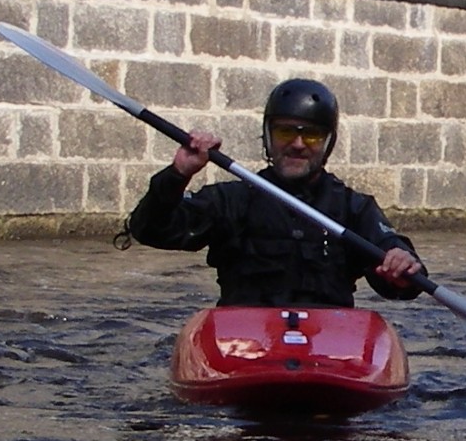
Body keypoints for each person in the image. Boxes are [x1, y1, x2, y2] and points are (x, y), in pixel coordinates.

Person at [124, 78, 426, 306]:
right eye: (285, 132)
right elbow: (150, 230)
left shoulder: (353, 208)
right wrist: (178, 174)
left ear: (327, 143)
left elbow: (401, 277)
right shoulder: (231, 201)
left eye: (311, 135)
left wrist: (401, 266)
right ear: (268, 137)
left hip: (328, 348)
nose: (297, 144)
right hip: (245, 346)